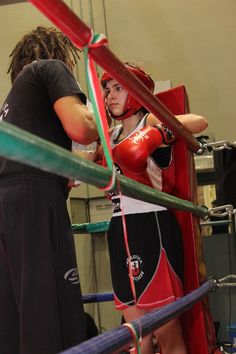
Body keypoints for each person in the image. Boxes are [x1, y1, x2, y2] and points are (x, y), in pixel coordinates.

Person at [0, 26, 98, 354]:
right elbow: (82, 129)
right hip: (36, 199)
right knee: (51, 309)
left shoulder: (13, 104)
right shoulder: (49, 68)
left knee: (18, 315)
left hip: (9, 202)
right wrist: (102, 122)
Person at [99, 64, 208, 354]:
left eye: (118, 88)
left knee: (167, 333)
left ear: (136, 91)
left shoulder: (148, 122)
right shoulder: (109, 137)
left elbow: (199, 122)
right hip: (118, 228)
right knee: (137, 337)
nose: (110, 96)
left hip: (152, 226)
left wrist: (156, 134)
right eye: (107, 90)